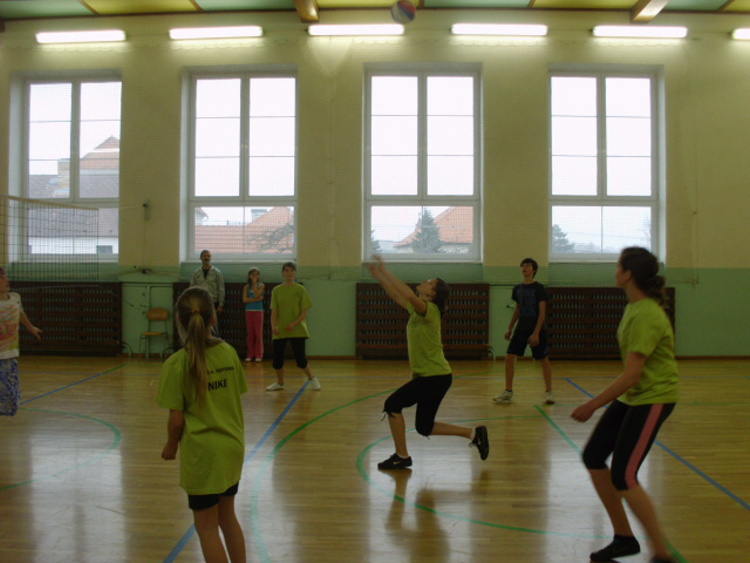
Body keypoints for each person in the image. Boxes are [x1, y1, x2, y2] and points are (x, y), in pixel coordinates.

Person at [571, 247, 678, 563]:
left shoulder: (646, 314)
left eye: (618, 266)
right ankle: (624, 539)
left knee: (624, 475)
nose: (615, 270)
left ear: (628, 274)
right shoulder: (634, 308)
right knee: (594, 456)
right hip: (635, 396)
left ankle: (661, 552)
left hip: (654, 397)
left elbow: (632, 375)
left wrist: (593, 404)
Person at [368, 256, 489, 470]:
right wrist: (378, 274)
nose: (425, 281)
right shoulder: (417, 311)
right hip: (436, 377)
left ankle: (402, 456)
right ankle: (474, 434)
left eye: (430, 282)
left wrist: (385, 270)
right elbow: (395, 295)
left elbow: (406, 294)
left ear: (432, 294)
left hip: (434, 377)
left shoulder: (430, 310)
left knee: (392, 405)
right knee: (424, 427)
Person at [157, 286, 248, 563]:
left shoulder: (177, 364)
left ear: (178, 320)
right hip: (232, 448)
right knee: (227, 517)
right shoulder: (229, 353)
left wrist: (171, 446)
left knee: (206, 527)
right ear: (213, 318)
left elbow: (176, 420)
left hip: (203, 456)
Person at [493, 257, 555, 405]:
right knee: (509, 357)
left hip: (537, 330)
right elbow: (518, 310)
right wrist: (510, 328)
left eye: (527, 266)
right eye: (523, 266)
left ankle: (549, 392)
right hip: (521, 329)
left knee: (543, 360)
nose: (524, 268)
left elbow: (542, 312)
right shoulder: (518, 289)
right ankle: (508, 391)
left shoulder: (539, 288)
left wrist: (536, 332)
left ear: (534, 270)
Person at [265, 262, 320, 391]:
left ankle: (312, 378)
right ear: (283, 273)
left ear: (295, 273)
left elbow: (304, 313)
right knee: (277, 360)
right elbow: (274, 311)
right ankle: (280, 383)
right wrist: (274, 326)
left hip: (298, 329)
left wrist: (294, 324)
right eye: (286, 270)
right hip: (281, 330)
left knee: (301, 359)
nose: (289, 273)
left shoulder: (301, 290)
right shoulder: (277, 290)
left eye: (291, 270)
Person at [0, 268, 42, 417]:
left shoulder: (15, 297)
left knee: (13, 394)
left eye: (6, 277)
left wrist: (31, 328)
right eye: (2, 278)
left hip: (10, 352)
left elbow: (20, 312)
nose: (7, 280)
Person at [191, 250, 226, 316]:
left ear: (211, 258)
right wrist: (194, 304)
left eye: (208, 256)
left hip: (213, 302)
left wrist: (221, 305)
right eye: (204, 256)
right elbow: (192, 289)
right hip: (200, 303)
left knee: (212, 321)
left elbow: (221, 289)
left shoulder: (217, 272)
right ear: (201, 258)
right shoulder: (196, 273)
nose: (206, 257)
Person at [242, 268, 265, 362]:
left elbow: (257, 294)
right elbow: (245, 299)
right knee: (250, 334)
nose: (255, 276)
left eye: (256, 275)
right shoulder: (246, 287)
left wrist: (255, 284)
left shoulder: (261, 285)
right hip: (249, 311)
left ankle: (258, 354)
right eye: (253, 275)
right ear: (249, 276)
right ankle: (250, 354)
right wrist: (256, 300)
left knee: (258, 333)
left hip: (258, 311)